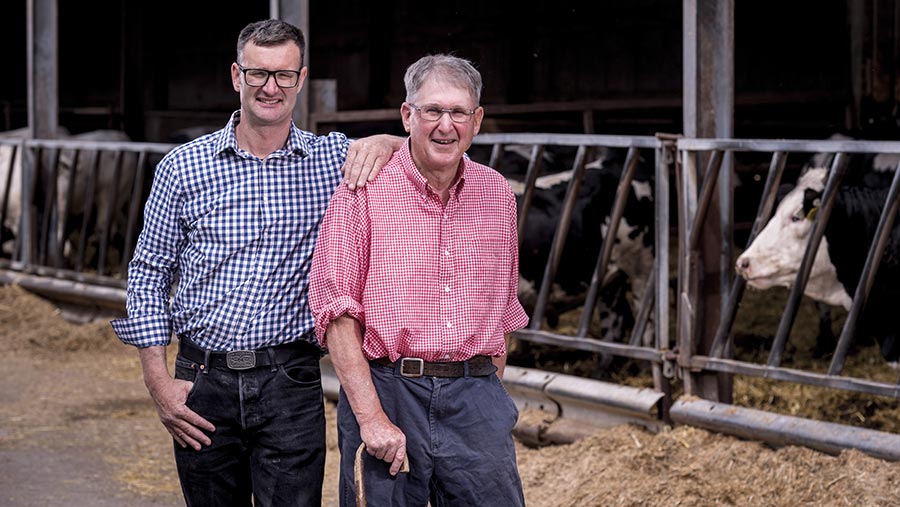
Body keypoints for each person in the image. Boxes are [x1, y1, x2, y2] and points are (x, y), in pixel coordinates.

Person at [110, 19, 403, 507]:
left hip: (290, 381)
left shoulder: (333, 160)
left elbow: (427, 149)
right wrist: (158, 382)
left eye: (284, 75)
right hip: (202, 382)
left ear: (301, 79)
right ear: (235, 76)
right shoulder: (182, 167)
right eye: (258, 74)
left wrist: (384, 142)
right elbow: (148, 273)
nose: (271, 87)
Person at [309, 54, 529, 507]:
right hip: (390, 389)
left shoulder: (498, 194)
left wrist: (489, 406)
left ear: (477, 120)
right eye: (432, 111)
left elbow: (503, 309)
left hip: (475, 394)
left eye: (458, 112)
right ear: (408, 115)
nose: (445, 125)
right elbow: (337, 313)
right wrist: (370, 418)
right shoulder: (363, 189)